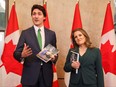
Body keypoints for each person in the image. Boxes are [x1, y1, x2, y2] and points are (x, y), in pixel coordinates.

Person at [13, 4, 58, 87]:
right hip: (30, 76)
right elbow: (16, 53)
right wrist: (22, 55)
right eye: (34, 14)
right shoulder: (25, 33)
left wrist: (54, 58)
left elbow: (55, 53)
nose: (36, 16)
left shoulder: (51, 34)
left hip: (46, 76)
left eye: (39, 14)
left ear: (44, 17)